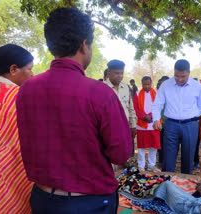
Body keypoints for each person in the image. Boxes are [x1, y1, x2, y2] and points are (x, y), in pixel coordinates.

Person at [16, 8, 132, 214]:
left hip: (43, 200)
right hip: (89, 203)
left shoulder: (26, 90)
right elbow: (121, 153)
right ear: (84, 45)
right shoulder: (99, 93)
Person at [0, 44, 34, 214]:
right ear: (14, 69)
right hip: (6, 188)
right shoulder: (18, 99)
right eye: (30, 69)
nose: (31, 74)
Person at [152, 59, 201, 174]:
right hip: (171, 125)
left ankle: (186, 187)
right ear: (174, 72)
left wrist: (190, 117)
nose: (180, 79)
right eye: (177, 76)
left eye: (183, 76)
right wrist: (156, 119)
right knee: (168, 159)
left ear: (189, 73)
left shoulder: (197, 87)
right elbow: (157, 104)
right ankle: (166, 184)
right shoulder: (166, 85)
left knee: (188, 158)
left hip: (190, 126)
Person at [105, 59, 137, 157]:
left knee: (123, 155)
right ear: (109, 73)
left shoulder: (126, 87)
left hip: (125, 128)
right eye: (117, 73)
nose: (120, 76)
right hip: (109, 130)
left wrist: (133, 125)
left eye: (122, 73)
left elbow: (131, 108)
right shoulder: (102, 88)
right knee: (110, 156)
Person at [133, 76, 161, 172]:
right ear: (142, 84)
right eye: (145, 84)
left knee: (154, 146)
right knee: (141, 147)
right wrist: (144, 116)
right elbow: (135, 108)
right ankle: (141, 165)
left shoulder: (156, 93)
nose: (147, 86)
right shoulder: (137, 93)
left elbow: (159, 106)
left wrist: (151, 115)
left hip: (154, 123)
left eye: (148, 84)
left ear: (151, 83)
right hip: (142, 124)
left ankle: (151, 165)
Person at [156, 76, 170, 165]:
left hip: (169, 123)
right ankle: (161, 161)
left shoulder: (172, 95)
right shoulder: (156, 94)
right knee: (160, 142)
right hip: (160, 123)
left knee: (168, 143)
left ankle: (168, 160)